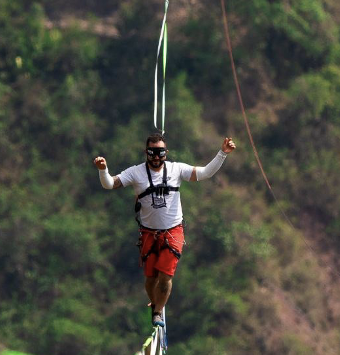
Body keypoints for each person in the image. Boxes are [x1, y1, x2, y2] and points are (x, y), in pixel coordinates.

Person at [93, 132, 236, 327]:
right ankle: (155, 305)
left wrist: (222, 153)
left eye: (160, 152)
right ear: (146, 152)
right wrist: (103, 169)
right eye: (152, 152)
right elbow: (110, 184)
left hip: (173, 231)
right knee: (151, 278)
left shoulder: (176, 169)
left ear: (166, 153)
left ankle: (158, 312)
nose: (156, 157)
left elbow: (204, 173)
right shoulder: (136, 173)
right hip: (148, 233)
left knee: (166, 275)